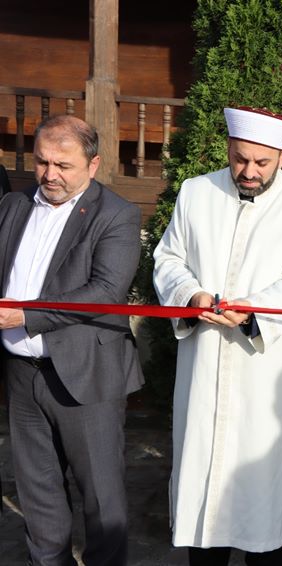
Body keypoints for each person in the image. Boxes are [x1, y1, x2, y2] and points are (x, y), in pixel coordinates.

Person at [153, 106, 282, 566]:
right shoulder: (195, 192)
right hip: (204, 359)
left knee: (262, 498)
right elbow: (167, 259)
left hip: (264, 367)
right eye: (239, 159)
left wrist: (253, 312)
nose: (248, 171)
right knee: (201, 489)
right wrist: (190, 295)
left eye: (261, 163)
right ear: (228, 150)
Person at [0, 114, 144, 565]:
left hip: (87, 375)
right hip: (22, 374)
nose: (49, 175)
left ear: (93, 164)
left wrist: (27, 313)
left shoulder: (117, 214)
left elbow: (106, 292)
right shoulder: (12, 206)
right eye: (42, 162)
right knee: (38, 496)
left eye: (63, 165)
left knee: (102, 501)